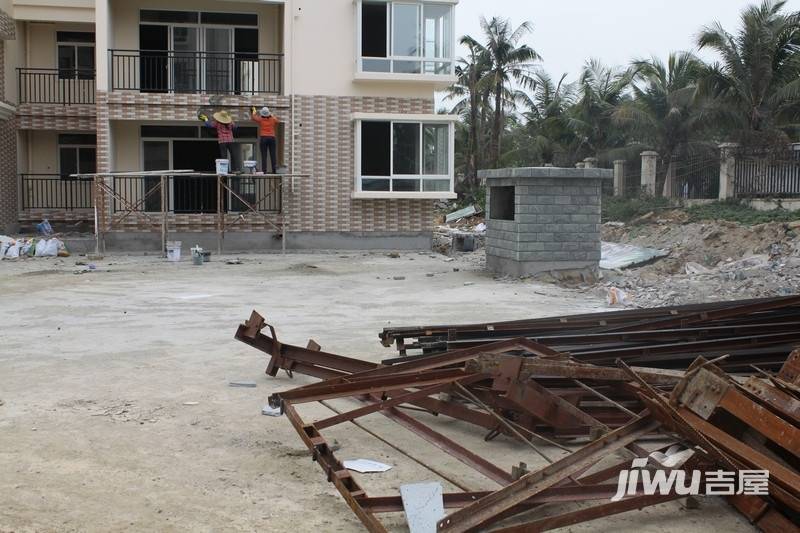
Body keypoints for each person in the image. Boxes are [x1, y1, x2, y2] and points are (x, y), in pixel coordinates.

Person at [251, 106, 279, 174]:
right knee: (273, 155)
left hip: (263, 138)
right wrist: (271, 115)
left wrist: (254, 110)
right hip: (272, 138)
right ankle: (274, 170)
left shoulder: (261, 119)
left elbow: (253, 117)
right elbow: (277, 121)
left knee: (264, 155)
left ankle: (264, 170)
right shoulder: (272, 119)